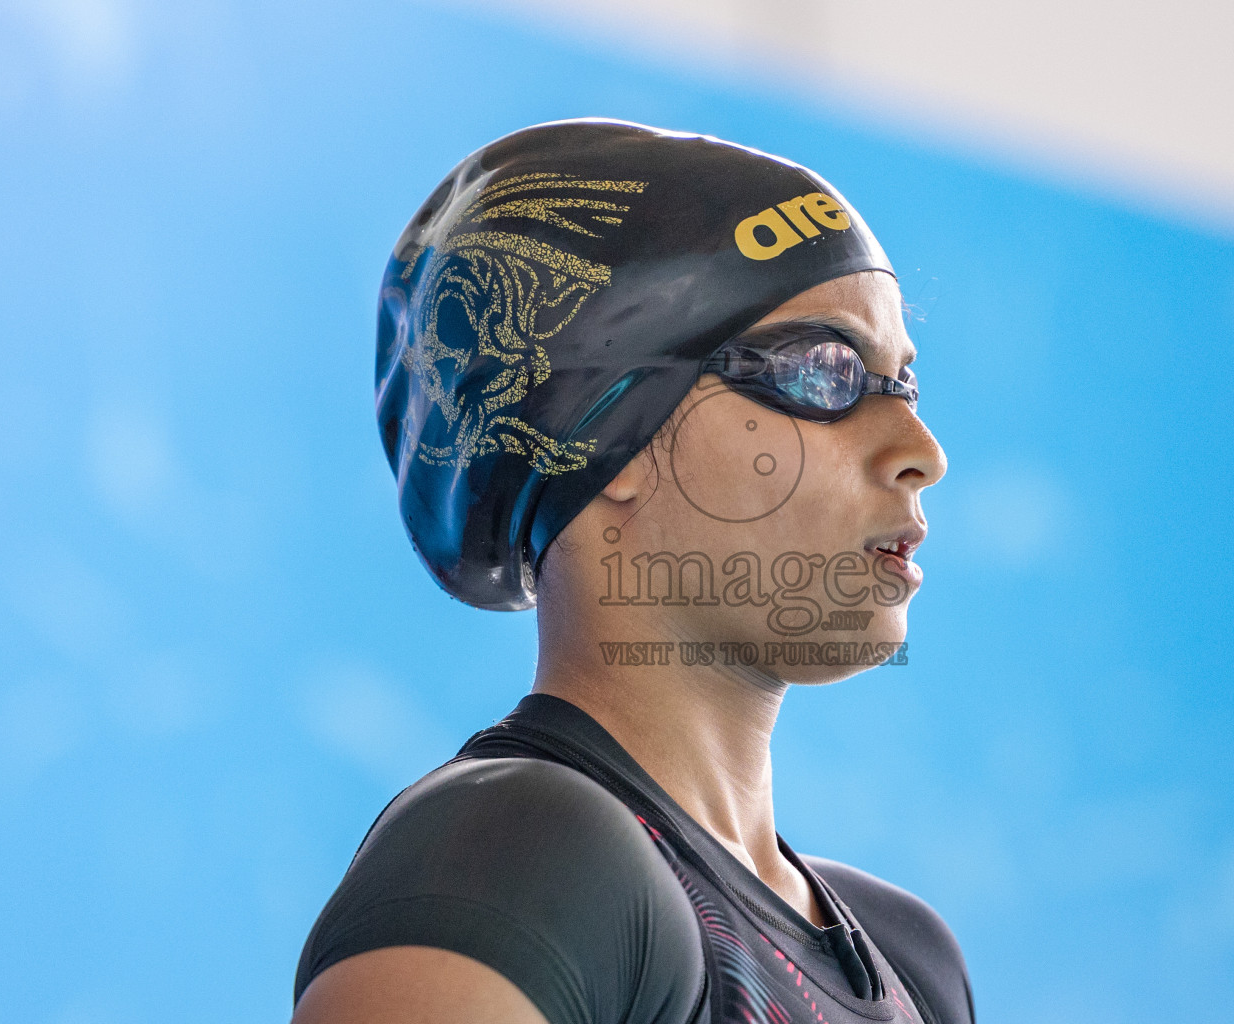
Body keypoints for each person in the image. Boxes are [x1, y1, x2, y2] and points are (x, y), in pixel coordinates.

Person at [292, 119, 970, 1024]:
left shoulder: (909, 958)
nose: (921, 451)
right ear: (606, 442)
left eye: (906, 385)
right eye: (825, 372)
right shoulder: (518, 860)